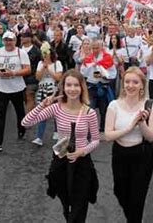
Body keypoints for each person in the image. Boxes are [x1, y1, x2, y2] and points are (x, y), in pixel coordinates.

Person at [21, 70, 100, 222]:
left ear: (82, 88)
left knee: (79, 205)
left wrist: (82, 152)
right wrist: (42, 105)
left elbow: (96, 140)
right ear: (63, 87)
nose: (72, 89)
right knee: (66, 202)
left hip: (81, 162)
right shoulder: (56, 108)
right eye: (68, 85)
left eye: (76, 85)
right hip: (60, 159)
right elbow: (26, 123)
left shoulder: (89, 112)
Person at [104, 67, 153, 223]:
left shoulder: (150, 105)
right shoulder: (114, 105)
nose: (130, 85)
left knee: (137, 199)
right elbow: (108, 135)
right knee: (119, 192)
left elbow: (151, 136)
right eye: (127, 81)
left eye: (135, 82)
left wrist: (141, 123)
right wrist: (130, 127)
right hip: (120, 154)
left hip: (141, 155)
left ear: (142, 85)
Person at [0, 31, 31, 152]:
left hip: (17, 88)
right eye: (6, 40)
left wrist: (14, 73)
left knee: (20, 112)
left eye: (10, 40)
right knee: (0, 115)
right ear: (3, 41)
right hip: (1, 88)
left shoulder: (20, 52)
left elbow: (28, 69)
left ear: (15, 41)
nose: (8, 42)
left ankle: (21, 130)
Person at [31, 42, 63, 146]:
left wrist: (49, 68)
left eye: (46, 53)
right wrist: (42, 68)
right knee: (42, 114)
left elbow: (58, 77)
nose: (44, 55)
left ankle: (57, 131)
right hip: (42, 91)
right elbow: (38, 77)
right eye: (43, 53)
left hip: (53, 91)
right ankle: (39, 137)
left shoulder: (57, 63)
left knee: (56, 113)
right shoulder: (40, 64)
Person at [80, 39, 115, 132]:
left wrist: (104, 75)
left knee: (104, 110)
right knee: (90, 109)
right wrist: (92, 66)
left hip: (103, 86)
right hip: (92, 87)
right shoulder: (88, 59)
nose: (95, 50)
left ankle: (103, 128)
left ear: (101, 48)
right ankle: (89, 129)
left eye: (97, 48)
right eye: (93, 48)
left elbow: (113, 73)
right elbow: (83, 72)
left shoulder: (107, 57)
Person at [21, 31, 42, 113]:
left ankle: (27, 120)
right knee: (25, 98)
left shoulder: (36, 51)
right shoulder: (18, 49)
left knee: (30, 96)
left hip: (32, 78)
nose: (21, 38)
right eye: (21, 36)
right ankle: (31, 114)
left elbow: (40, 63)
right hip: (20, 78)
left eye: (24, 36)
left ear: (29, 38)